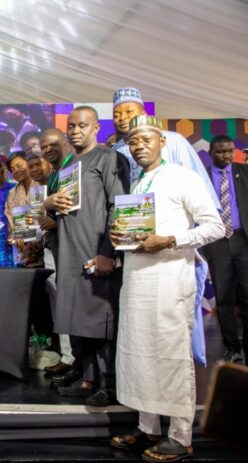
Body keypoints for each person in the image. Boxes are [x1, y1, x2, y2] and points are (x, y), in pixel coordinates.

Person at [109, 115, 223, 462]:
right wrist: (120, 238)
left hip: (170, 277)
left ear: (163, 142)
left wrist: (170, 240)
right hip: (138, 278)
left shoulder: (182, 176)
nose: (138, 145)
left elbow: (215, 226)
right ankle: (149, 428)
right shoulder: (138, 182)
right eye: (133, 141)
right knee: (140, 351)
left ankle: (181, 435)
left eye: (146, 139)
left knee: (170, 352)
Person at [44, 106, 125, 406]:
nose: (76, 131)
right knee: (78, 321)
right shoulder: (68, 166)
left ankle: (111, 385)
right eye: (72, 126)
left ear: (96, 129)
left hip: (95, 252)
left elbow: (118, 206)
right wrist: (49, 202)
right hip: (69, 251)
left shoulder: (107, 158)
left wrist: (108, 253)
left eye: (82, 126)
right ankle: (88, 378)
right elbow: (62, 207)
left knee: (99, 322)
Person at [111, 87, 219, 207]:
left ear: (143, 114)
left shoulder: (174, 140)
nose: (122, 118)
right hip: (135, 217)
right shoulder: (114, 152)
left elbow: (194, 179)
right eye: (116, 115)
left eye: (129, 112)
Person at [202, 135, 248, 364]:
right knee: (224, 298)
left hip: (242, 240)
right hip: (216, 241)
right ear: (210, 152)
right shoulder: (201, 177)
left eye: (230, 151)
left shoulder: (244, 172)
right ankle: (233, 348)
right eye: (220, 152)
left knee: (246, 295)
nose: (226, 156)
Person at [39, 128, 76, 378]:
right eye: (44, 147)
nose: (48, 150)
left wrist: (54, 219)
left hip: (72, 247)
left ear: (65, 142)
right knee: (59, 303)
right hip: (54, 247)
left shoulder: (74, 168)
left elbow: (76, 207)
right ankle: (68, 356)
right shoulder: (54, 173)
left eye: (52, 145)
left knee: (72, 303)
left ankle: (76, 360)